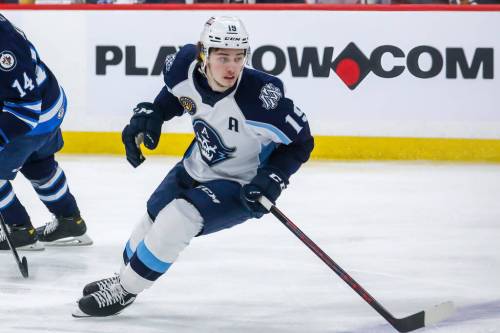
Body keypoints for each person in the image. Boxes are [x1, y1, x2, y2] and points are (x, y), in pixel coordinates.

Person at [73, 16, 314, 317]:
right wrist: (154, 114)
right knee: (152, 216)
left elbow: (302, 142)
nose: (231, 67)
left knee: (178, 217)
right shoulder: (183, 65)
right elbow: (178, 95)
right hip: (195, 165)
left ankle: (125, 289)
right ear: (204, 54)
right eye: (223, 57)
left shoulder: (260, 98)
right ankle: (124, 278)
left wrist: (274, 178)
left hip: (240, 185)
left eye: (239, 57)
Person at [0, 14, 92, 250]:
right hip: (50, 106)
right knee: (38, 164)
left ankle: (19, 230)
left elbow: (25, 111)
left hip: (33, 117)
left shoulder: (4, 49)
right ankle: (70, 221)